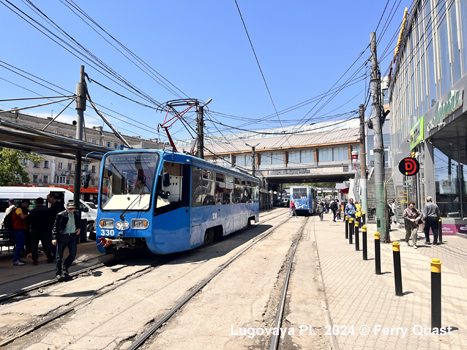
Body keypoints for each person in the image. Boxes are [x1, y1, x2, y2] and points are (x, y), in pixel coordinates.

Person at [52, 202, 81, 281]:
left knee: (73, 254)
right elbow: (55, 226)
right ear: (66, 208)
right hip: (63, 236)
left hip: (73, 236)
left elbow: (78, 223)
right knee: (59, 256)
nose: (71, 210)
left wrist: (79, 228)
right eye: (69, 209)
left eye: (73, 208)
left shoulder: (77, 213)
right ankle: (58, 273)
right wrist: (54, 237)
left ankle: (65, 268)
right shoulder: (60, 215)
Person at [28, 197, 55, 265]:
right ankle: (49, 257)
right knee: (47, 245)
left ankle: (35, 260)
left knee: (34, 245)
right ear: (43, 202)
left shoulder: (33, 211)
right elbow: (52, 220)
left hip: (35, 230)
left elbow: (29, 221)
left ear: (36, 203)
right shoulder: (49, 210)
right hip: (46, 230)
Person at [12, 199, 30, 266]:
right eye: (27, 204)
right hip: (18, 229)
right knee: (19, 245)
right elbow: (22, 217)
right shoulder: (18, 209)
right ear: (24, 203)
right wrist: (28, 214)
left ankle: (18, 259)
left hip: (21, 229)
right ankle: (16, 260)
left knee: (21, 245)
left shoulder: (22, 209)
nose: (28, 206)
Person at [47, 193, 65, 259]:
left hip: (57, 226)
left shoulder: (58, 205)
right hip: (54, 225)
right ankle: (56, 255)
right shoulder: (52, 205)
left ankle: (57, 255)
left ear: (52, 198)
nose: (47, 200)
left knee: (56, 241)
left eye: (48, 199)